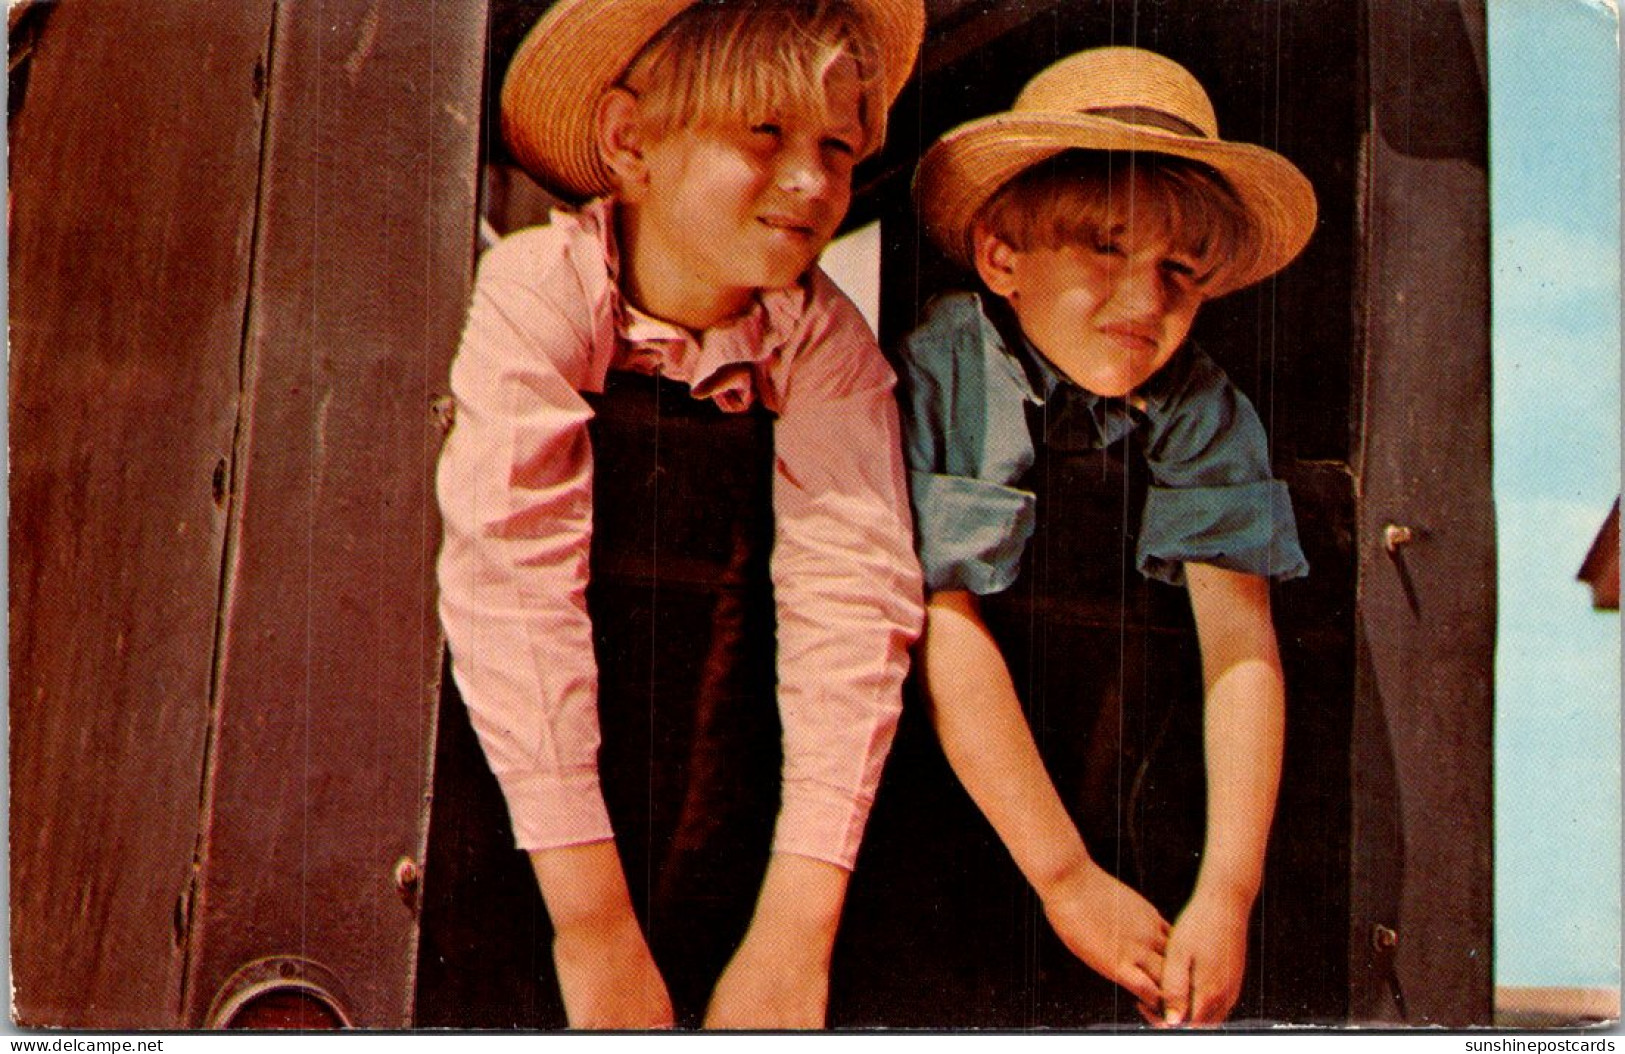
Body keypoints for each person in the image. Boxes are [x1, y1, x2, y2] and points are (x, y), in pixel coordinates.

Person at [435, 0, 924, 1030]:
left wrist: (796, 927)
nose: (811, 178)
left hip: (713, 767)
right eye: (764, 133)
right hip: (524, 795)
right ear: (628, 142)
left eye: (836, 146)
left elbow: (854, 592)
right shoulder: (538, 286)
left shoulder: (824, 341)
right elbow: (513, 577)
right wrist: (594, 927)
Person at [897, 46, 1316, 1026]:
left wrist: (1226, 892)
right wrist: (1064, 877)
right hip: (947, 795)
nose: (1145, 300)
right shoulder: (950, 363)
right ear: (1001, 255)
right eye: (1104, 248)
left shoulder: (1200, 399)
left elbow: (1238, 646)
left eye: (1178, 268)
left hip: (1113, 782)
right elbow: (944, 624)